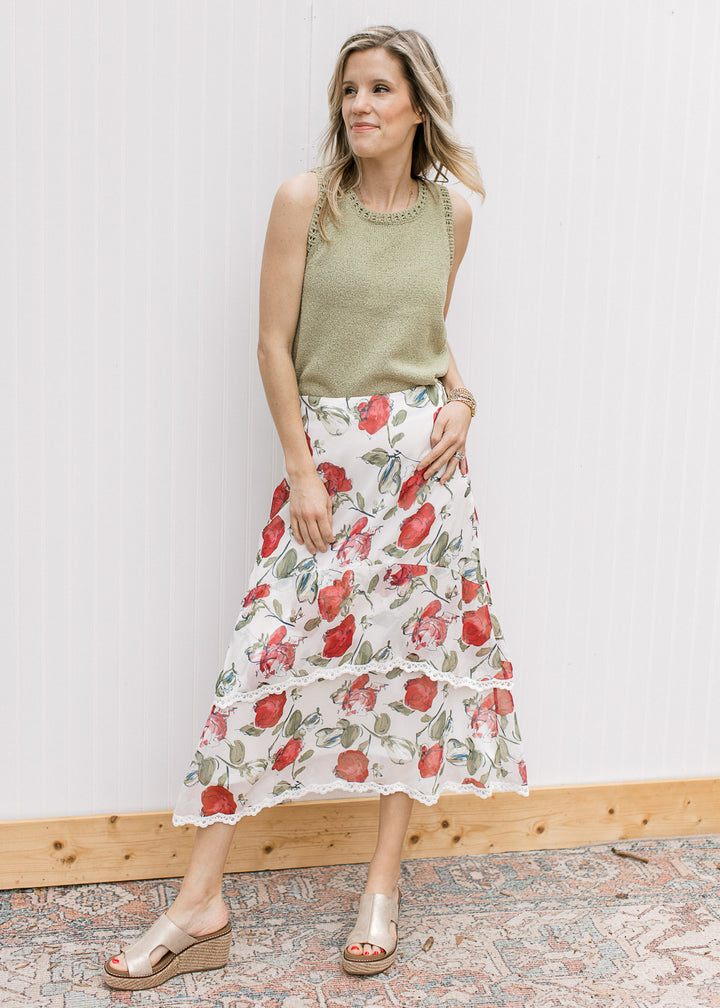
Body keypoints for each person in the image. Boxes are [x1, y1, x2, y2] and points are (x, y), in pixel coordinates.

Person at [102, 24, 528, 991]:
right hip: (326, 476)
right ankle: (199, 903)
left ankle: (382, 887)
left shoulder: (454, 213)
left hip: (424, 483)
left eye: (379, 89)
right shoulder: (306, 200)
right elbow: (272, 343)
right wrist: (300, 472)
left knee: (409, 675)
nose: (359, 106)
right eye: (348, 90)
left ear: (419, 106)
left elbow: (429, 337)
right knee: (261, 662)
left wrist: (464, 400)